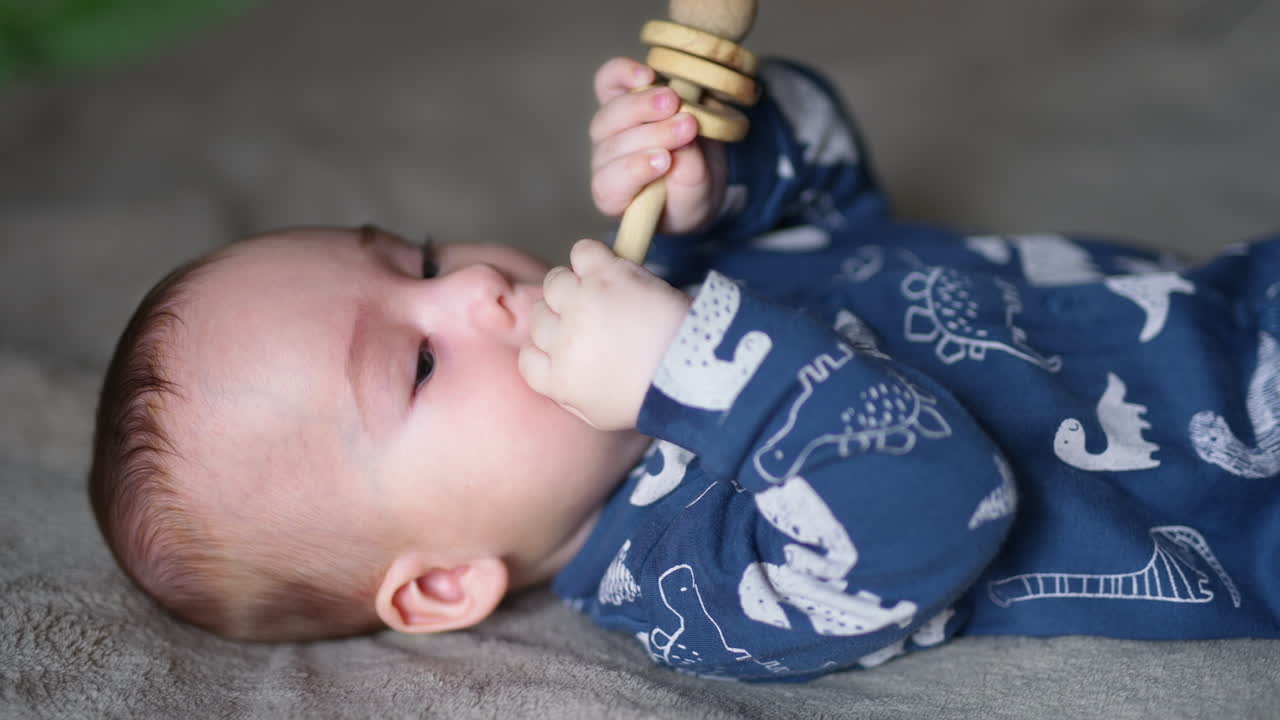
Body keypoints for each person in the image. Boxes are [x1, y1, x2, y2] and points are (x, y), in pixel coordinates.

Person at [89, 55, 1280, 681]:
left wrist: (722, 160)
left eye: (418, 255)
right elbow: (933, 506)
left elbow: (837, 191)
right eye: (413, 365)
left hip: (1235, 297)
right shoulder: (695, 587)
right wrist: (689, 370)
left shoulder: (676, 283)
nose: (469, 289)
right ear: (448, 584)